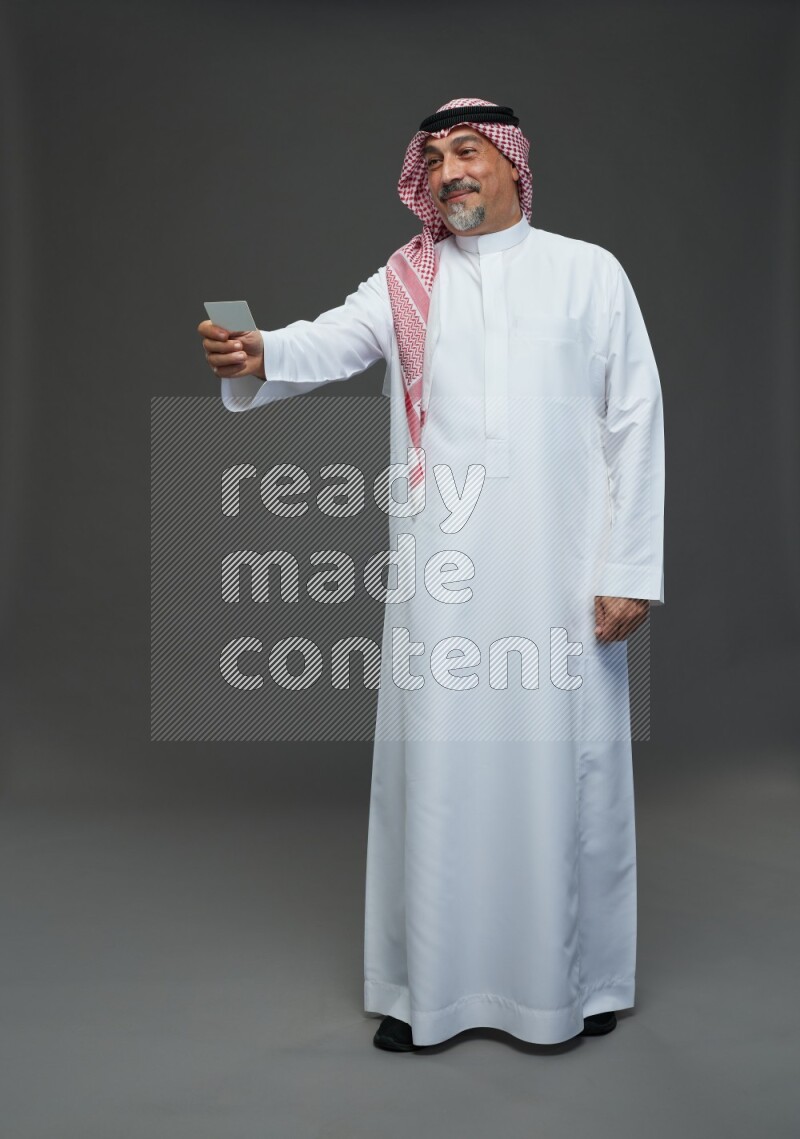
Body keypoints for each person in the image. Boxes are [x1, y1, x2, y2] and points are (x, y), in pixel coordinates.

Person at [198, 97, 665, 1052]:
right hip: (443, 572)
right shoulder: (410, 281)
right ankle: (431, 992)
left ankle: (581, 980)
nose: (452, 172)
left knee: (567, 769)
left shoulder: (589, 274)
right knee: (441, 767)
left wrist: (629, 568)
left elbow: (635, 420)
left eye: (469, 153)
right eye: (436, 159)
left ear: (510, 164)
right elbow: (330, 338)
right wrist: (258, 353)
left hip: (562, 571)